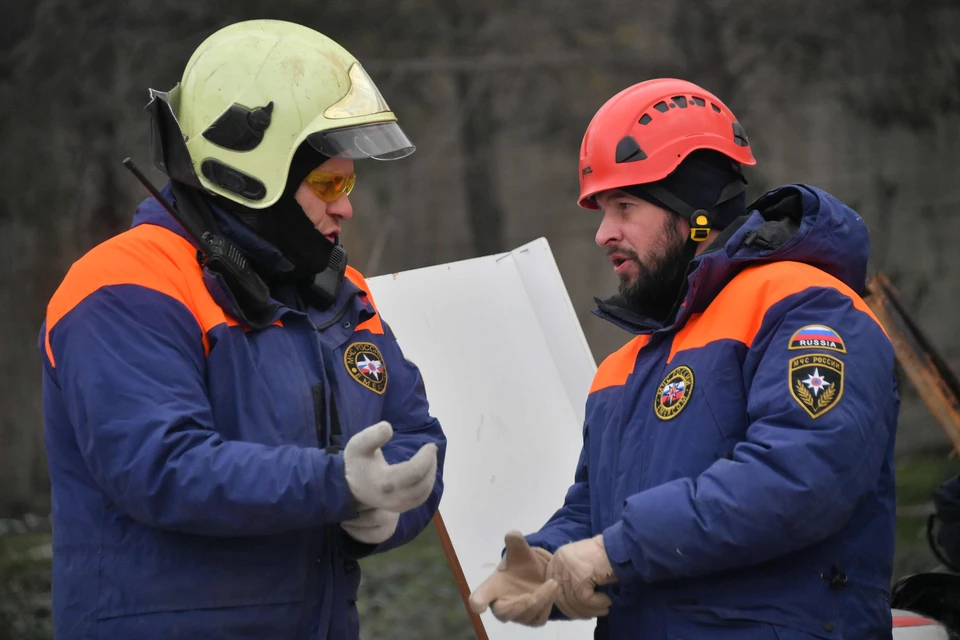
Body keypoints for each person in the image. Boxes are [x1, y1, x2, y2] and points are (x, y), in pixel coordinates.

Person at [39, 19, 445, 640]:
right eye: (328, 183)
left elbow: (416, 434)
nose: (346, 206)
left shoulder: (341, 293)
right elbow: (160, 466)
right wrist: (336, 484)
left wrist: (388, 512)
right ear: (251, 174)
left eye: (349, 182)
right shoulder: (123, 284)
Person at [469, 78, 899, 639]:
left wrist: (613, 551)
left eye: (624, 206)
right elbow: (594, 514)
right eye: (602, 210)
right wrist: (547, 564)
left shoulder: (806, 307)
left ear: (696, 214)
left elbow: (801, 476)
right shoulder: (625, 366)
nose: (603, 233)